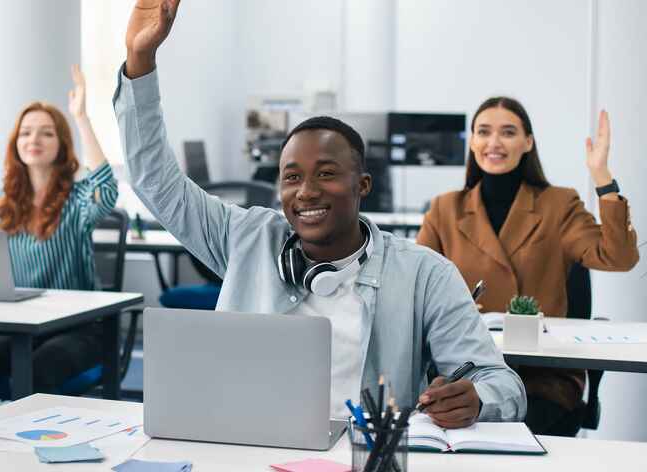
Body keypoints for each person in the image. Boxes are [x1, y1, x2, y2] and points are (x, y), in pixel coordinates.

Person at [117, 0, 525, 428]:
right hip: (245, 443)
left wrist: (476, 398)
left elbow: (503, 383)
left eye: (326, 174)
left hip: (361, 451)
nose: (306, 191)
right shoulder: (246, 238)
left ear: (362, 185)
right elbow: (154, 180)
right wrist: (139, 61)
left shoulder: (425, 274)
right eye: (291, 177)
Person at [417, 98, 639, 435]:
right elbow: (414, 289)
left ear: (528, 143)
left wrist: (602, 177)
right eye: (484, 132)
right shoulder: (444, 209)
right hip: (465, 374)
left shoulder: (559, 203)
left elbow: (618, 257)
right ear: (473, 141)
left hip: (542, 379)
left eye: (508, 132)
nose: (494, 143)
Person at [0, 65, 118, 417]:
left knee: (36, 375)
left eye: (46, 133)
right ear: (16, 143)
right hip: (22, 328)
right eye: (26, 133)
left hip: (79, 329)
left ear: (62, 144)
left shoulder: (78, 199)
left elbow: (106, 189)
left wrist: (81, 117)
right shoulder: (7, 204)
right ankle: (0, 446)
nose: (33, 140)